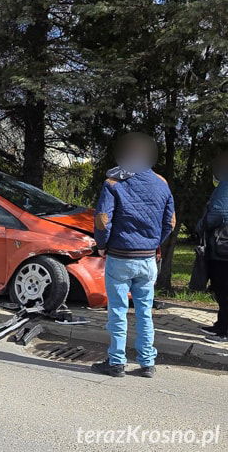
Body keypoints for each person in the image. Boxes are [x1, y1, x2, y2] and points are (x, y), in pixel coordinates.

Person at [91, 133, 175, 378]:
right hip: (148, 259)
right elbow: (170, 221)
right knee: (144, 311)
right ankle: (147, 362)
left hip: (120, 257)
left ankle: (116, 362)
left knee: (117, 311)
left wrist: (102, 245)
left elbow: (102, 219)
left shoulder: (113, 182)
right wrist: (152, 243)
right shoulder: (162, 183)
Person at [199, 151, 228, 344]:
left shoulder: (225, 185)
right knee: (221, 289)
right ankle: (220, 325)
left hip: (223, 247)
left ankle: (224, 331)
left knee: (224, 288)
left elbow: (218, 213)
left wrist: (201, 224)